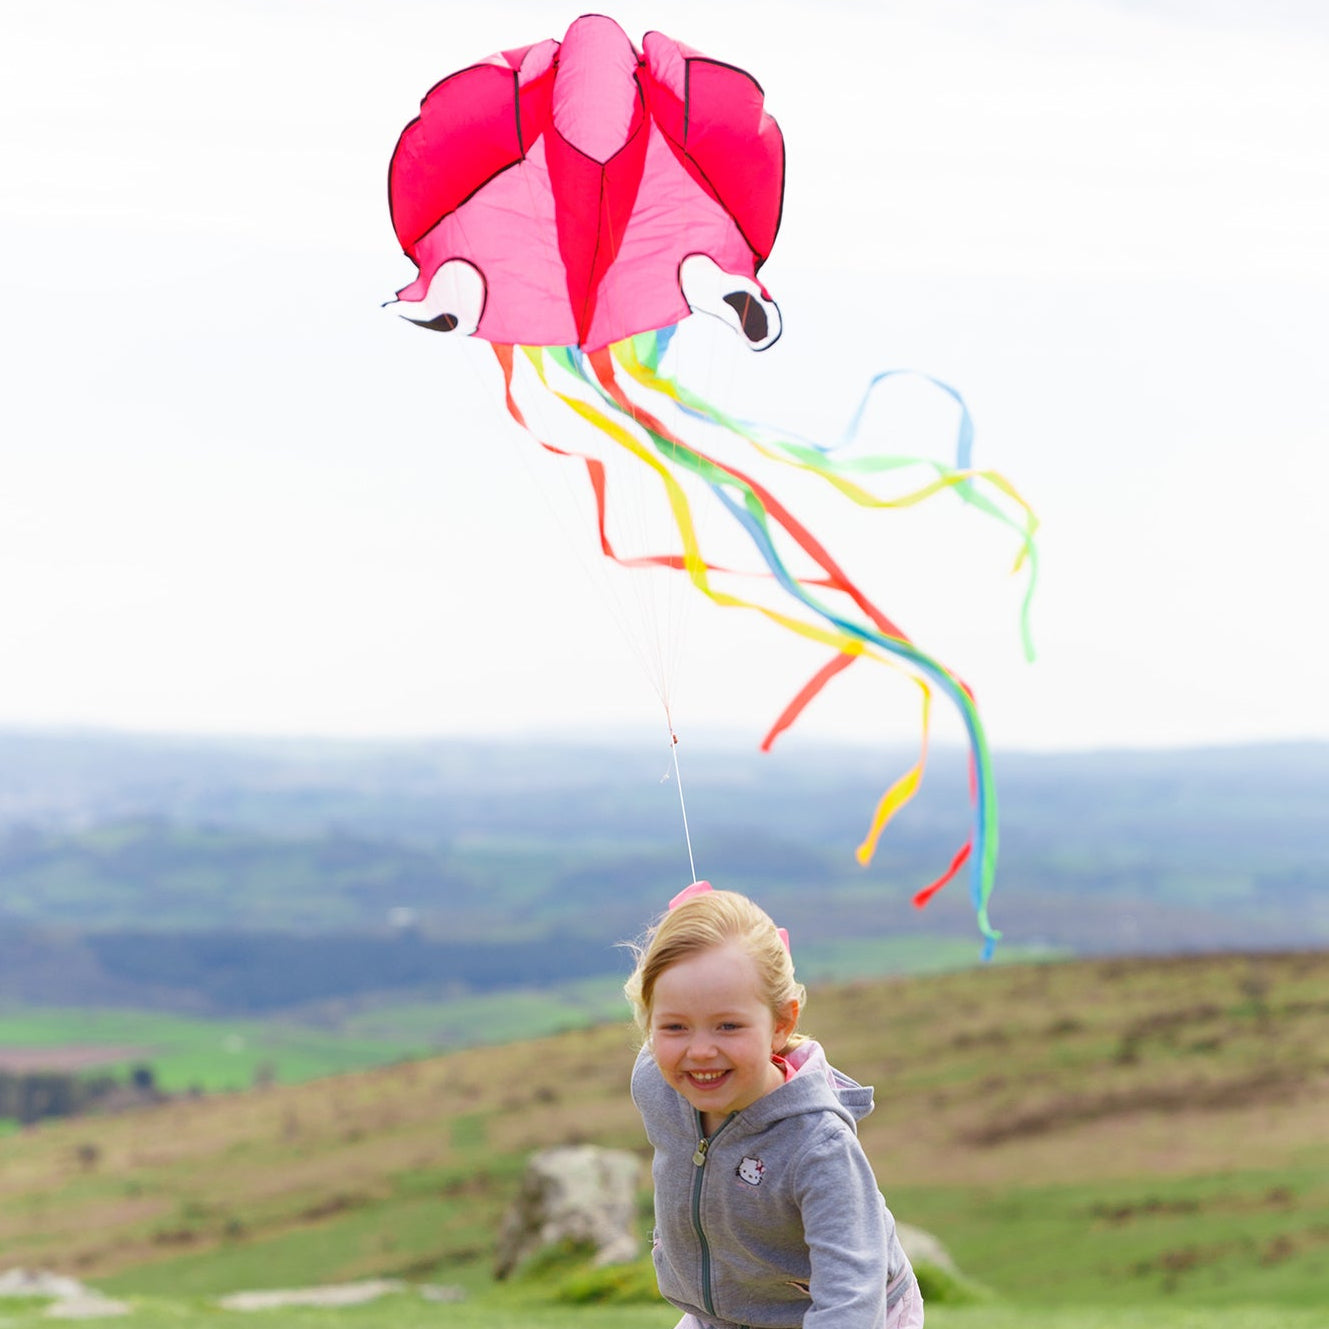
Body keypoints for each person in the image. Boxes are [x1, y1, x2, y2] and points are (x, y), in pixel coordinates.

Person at [625, 881, 925, 1329]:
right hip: (724, 1315)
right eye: (674, 1027)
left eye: (728, 1026)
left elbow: (851, 1298)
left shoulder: (818, 1147)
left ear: (782, 1023)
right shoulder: (656, 1083)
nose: (700, 1051)